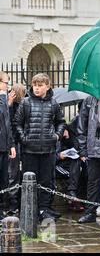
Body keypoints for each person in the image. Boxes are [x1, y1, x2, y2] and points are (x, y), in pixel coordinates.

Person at [14, 73, 66, 221]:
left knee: (47, 181)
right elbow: (17, 123)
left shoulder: (53, 104)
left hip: (48, 150)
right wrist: (24, 139)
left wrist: (56, 136)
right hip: (29, 150)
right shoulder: (26, 103)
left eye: (40, 85)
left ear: (47, 86)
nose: (36, 88)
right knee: (30, 181)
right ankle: (31, 210)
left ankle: (44, 209)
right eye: (34, 85)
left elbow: (61, 122)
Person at [77, 95, 100, 223]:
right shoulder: (89, 100)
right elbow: (82, 125)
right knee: (92, 181)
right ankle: (90, 212)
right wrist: (83, 149)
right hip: (93, 147)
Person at [7, 83, 26, 215]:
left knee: (15, 175)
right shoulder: (10, 106)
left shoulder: (23, 105)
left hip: (19, 143)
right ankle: (13, 204)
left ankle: (14, 204)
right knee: (13, 175)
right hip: (14, 143)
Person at [0, 72, 16, 219]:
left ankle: (2, 210)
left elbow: (7, 124)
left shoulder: (4, 100)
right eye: (6, 83)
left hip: (4, 146)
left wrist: (11, 144)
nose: (7, 86)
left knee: (4, 179)